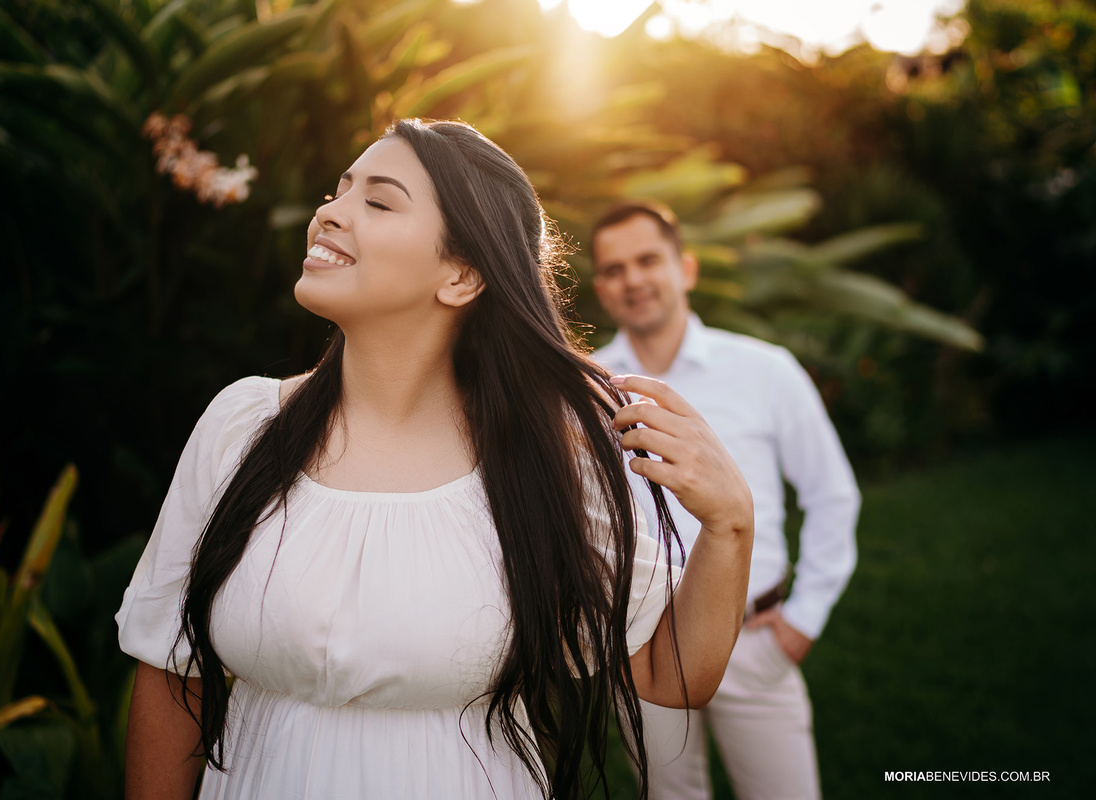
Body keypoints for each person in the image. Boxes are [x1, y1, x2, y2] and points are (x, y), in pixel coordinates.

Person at [116, 120, 755, 800]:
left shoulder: (539, 458)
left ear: (461, 276)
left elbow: (671, 673)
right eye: (339, 192)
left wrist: (730, 525)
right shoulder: (242, 425)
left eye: (378, 201)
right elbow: (169, 670)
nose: (328, 213)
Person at [589, 200, 860, 800]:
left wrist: (803, 619)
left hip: (757, 641)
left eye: (647, 260)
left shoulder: (767, 370)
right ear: (601, 288)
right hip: (640, 644)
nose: (632, 279)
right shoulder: (584, 389)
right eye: (613, 269)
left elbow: (832, 495)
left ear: (685, 268)